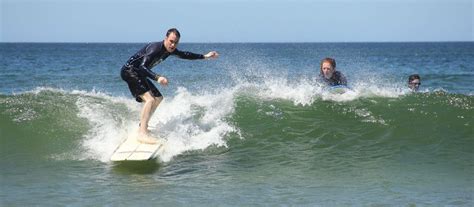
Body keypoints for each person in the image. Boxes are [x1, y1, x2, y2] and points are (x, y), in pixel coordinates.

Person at [120, 28, 219, 144]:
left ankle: (143, 126)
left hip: (139, 74)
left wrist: (205, 56)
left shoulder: (170, 50)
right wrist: (158, 78)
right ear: (165, 39)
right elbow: (142, 67)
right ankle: (142, 133)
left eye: (176, 42)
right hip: (130, 71)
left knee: (158, 98)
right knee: (150, 99)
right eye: (171, 41)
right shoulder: (155, 49)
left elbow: (185, 54)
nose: (173, 45)